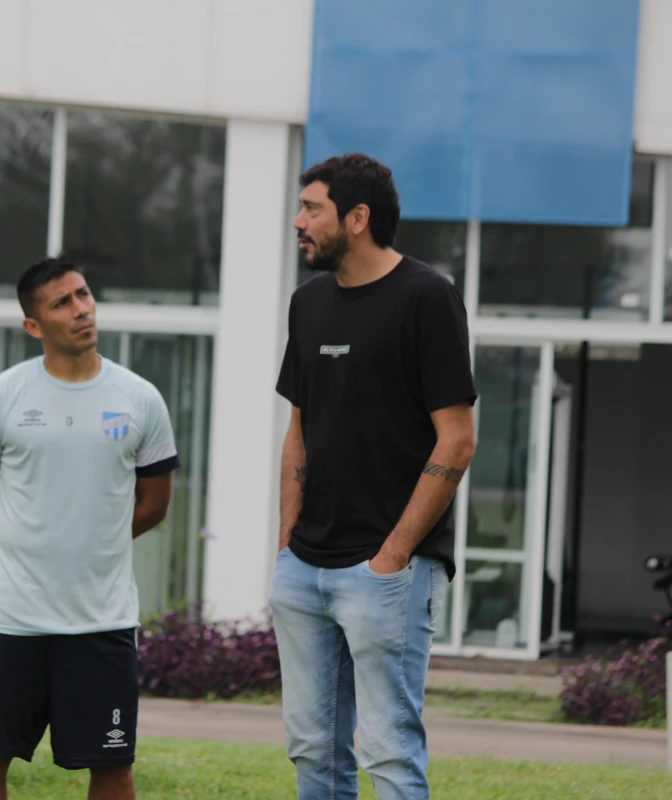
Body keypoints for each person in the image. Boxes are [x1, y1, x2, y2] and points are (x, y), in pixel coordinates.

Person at [268, 153, 477, 800]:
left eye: (312, 209)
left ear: (357, 218)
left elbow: (458, 439)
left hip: (387, 571)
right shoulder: (308, 304)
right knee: (312, 749)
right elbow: (300, 427)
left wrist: (393, 554)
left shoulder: (427, 298)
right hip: (306, 567)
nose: (297, 221)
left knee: (388, 751)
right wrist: (286, 547)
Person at [0, 255, 179, 800]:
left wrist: (89, 544)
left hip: (101, 622)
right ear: (34, 326)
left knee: (113, 769)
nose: (81, 310)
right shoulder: (1, 395)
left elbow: (153, 505)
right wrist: (19, 549)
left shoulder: (140, 398)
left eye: (83, 295)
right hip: (12, 621)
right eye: (62, 303)